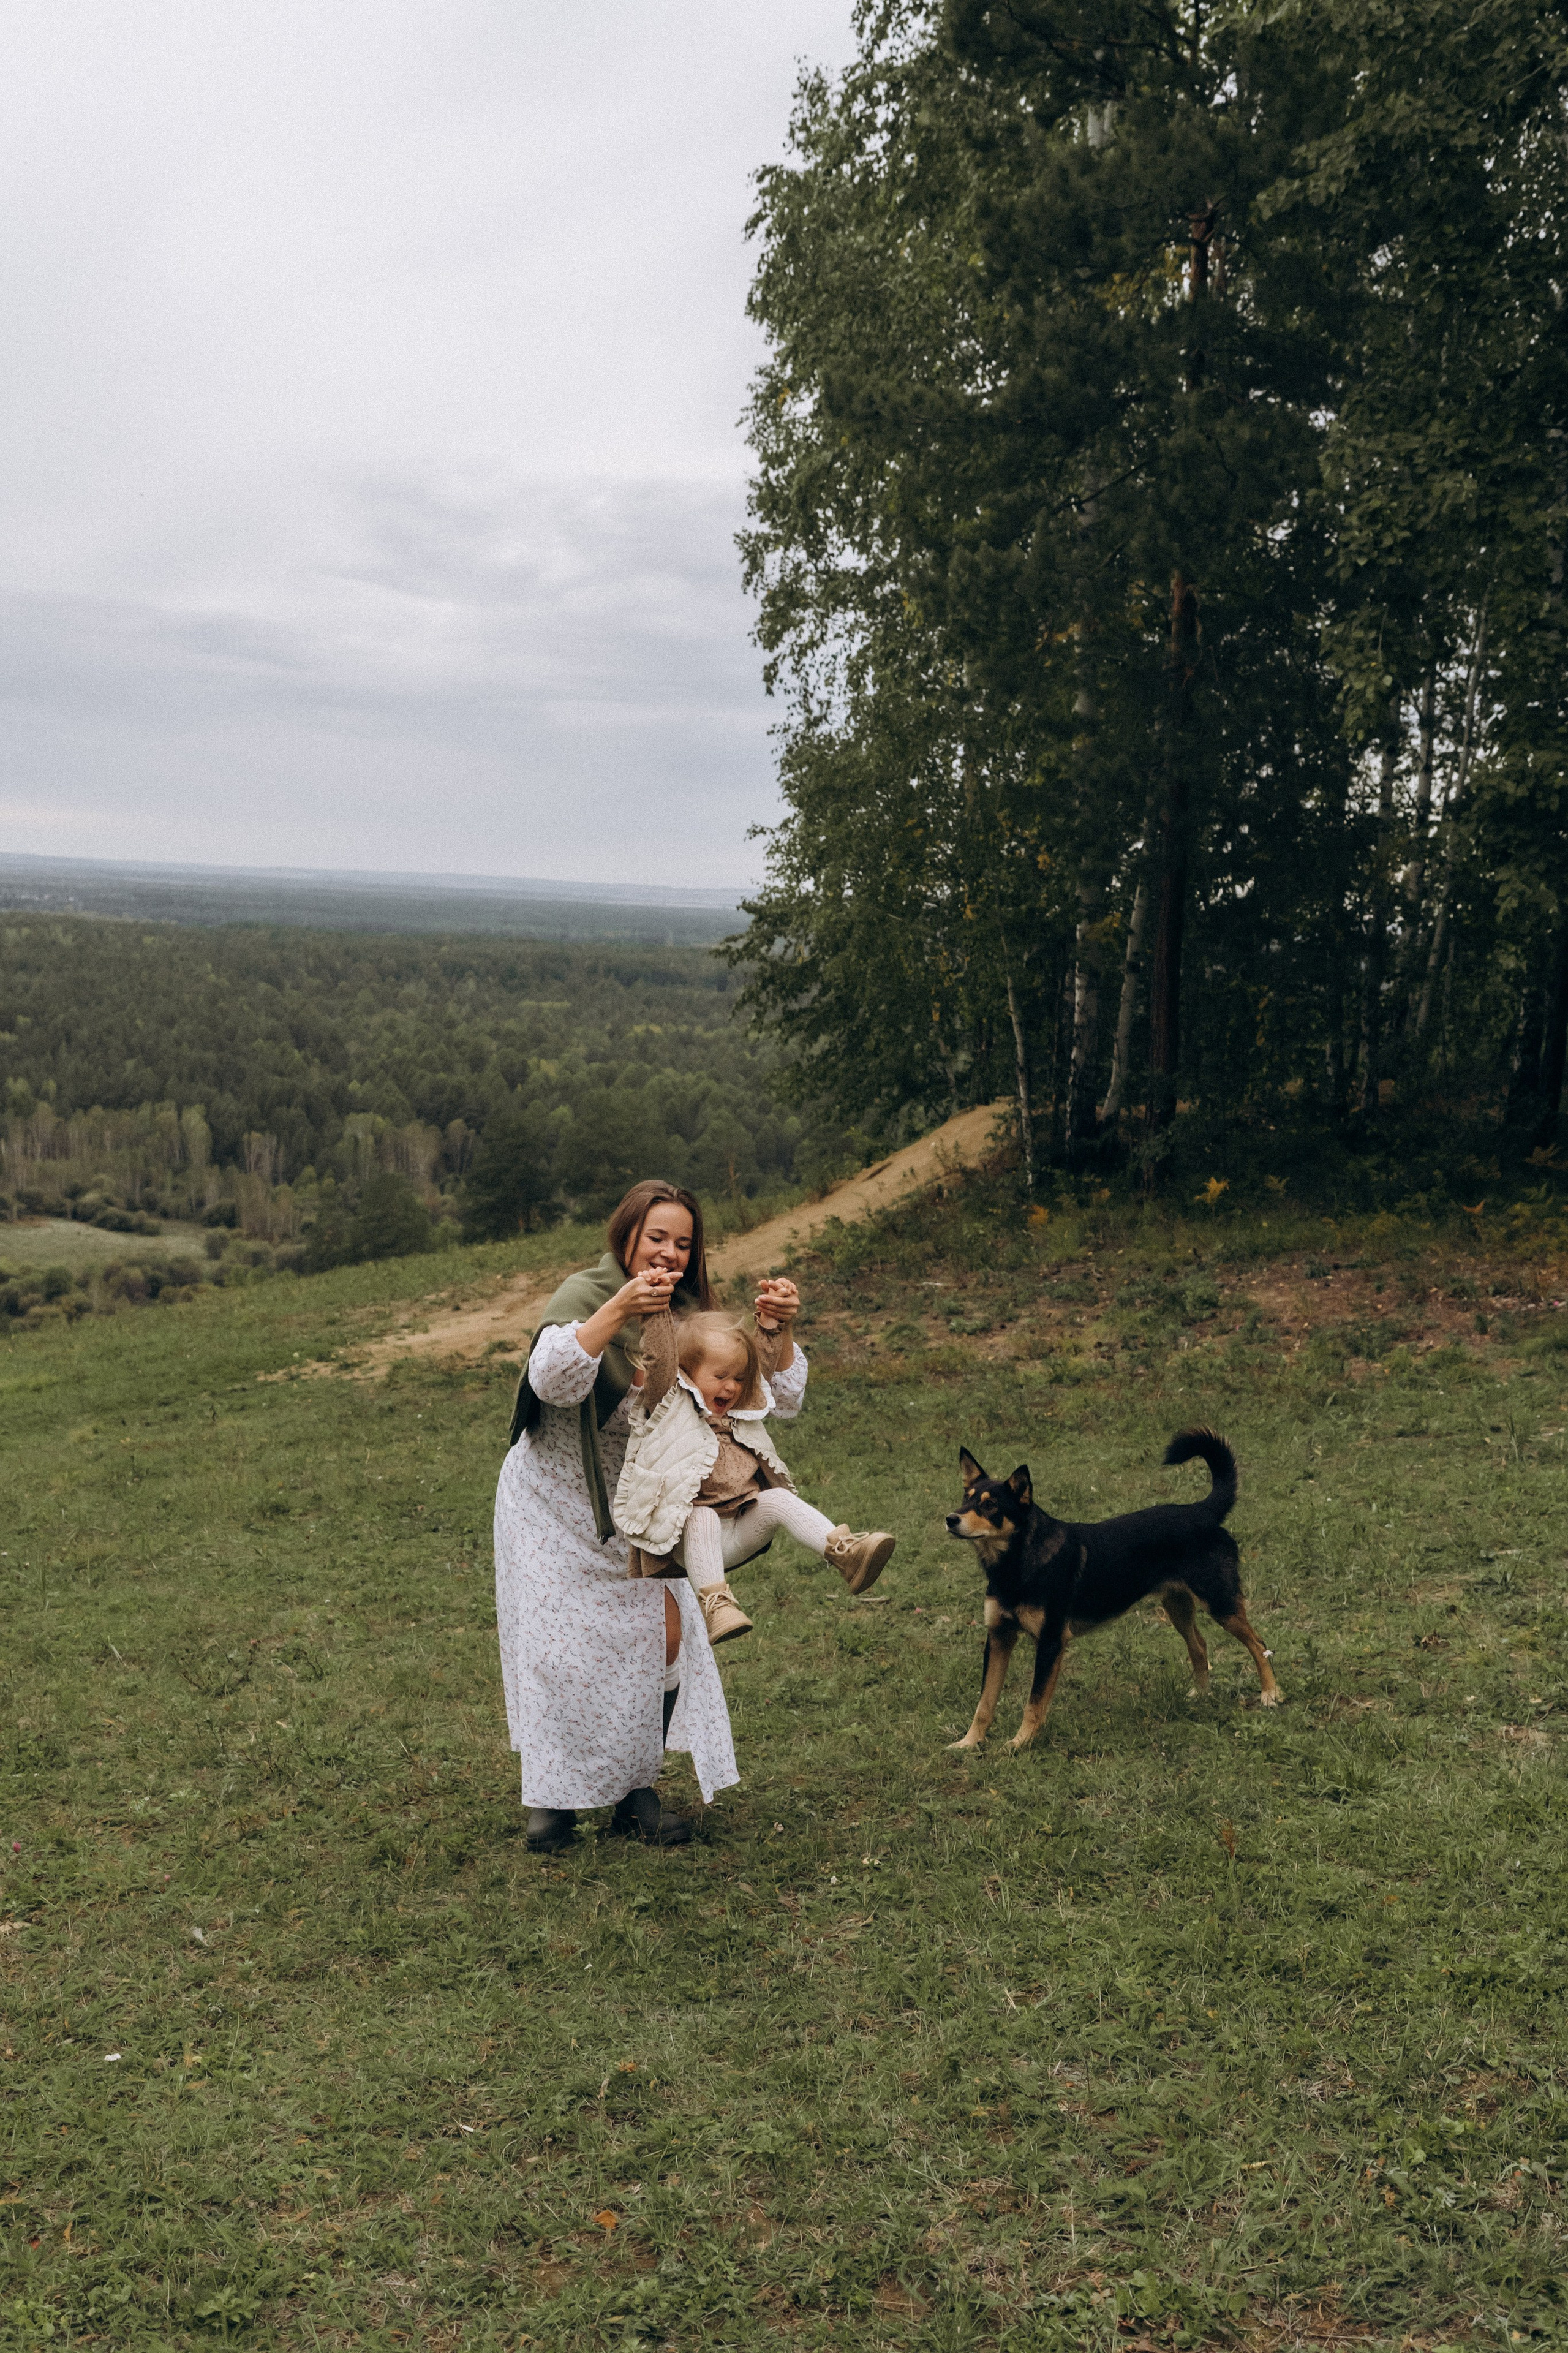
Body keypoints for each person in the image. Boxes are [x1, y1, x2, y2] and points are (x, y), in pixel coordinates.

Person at [493, 1179, 794, 1854]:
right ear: (625, 1233)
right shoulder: (583, 1295)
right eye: (657, 1236)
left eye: (684, 1243)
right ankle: (552, 1802)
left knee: (660, 1639)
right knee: (556, 1653)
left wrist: (778, 1330)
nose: (670, 1253)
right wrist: (618, 1309)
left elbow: (758, 1395)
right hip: (551, 1499)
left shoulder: (690, 1316)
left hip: (639, 1504)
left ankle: (636, 1793)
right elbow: (551, 1380)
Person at [614, 1297, 895, 1642]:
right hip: (687, 1540)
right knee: (700, 1516)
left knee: (776, 1499)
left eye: (737, 1378)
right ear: (685, 1371)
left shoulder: (739, 1409)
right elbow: (659, 1361)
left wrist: (770, 1326)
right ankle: (718, 1606)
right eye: (720, 1376)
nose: (731, 1387)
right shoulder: (669, 1405)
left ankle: (846, 1554)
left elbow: (759, 1370)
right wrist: (655, 1311)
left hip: (739, 1530)